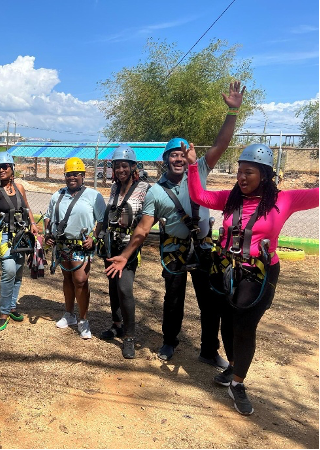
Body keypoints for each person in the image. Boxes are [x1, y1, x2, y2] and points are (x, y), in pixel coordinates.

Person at [106, 81, 245, 366]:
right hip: (174, 249)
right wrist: (124, 256)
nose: (179, 158)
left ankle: (209, 350)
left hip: (204, 247)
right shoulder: (155, 192)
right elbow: (143, 229)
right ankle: (170, 341)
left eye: (183, 153)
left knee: (210, 302)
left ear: (188, 157)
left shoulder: (200, 170)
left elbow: (221, 144)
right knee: (173, 300)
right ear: (166, 160)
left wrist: (232, 112)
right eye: (173, 154)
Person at [184, 142, 319, 415]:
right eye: (239, 172)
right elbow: (198, 195)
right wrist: (191, 165)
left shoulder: (285, 200)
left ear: (265, 175)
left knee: (245, 326)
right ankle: (234, 365)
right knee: (228, 321)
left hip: (260, 273)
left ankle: (238, 383)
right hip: (226, 269)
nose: (242, 178)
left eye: (249, 172)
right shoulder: (229, 199)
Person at [94, 146, 150, 358]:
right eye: (117, 166)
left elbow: (148, 218)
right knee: (113, 287)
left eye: (124, 166)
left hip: (129, 248)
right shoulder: (115, 189)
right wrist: (97, 236)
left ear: (133, 167)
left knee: (125, 288)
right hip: (111, 245)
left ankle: (129, 337)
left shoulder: (145, 188)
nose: (120, 170)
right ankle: (116, 324)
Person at [44, 157, 106, 339]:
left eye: (76, 174)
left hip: (82, 246)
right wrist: (48, 234)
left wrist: (94, 238)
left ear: (83, 176)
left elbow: (101, 220)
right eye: (68, 174)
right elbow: (48, 216)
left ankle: (83, 319)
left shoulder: (94, 196)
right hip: (63, 245)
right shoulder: (58, 195)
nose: (72, 178)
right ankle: (69, 314)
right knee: (67, 279)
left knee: (80, 280)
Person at [0, 152, 39, 331]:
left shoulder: (20, 187)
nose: (1, 170)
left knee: (18, 271)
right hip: (3, 237)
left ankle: (13, 306)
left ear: (11, 168)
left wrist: (32, 224)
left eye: (4, 167)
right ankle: (4, 312)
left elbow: (27, 207)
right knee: (8, 270)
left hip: (20, 236)